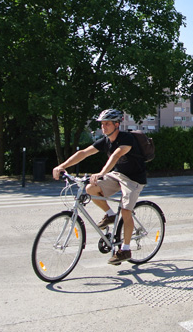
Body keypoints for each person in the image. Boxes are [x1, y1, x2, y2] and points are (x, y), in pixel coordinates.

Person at [51, 109, 147, 265]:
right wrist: (61, 166)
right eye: (102, 124)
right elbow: (83, 153)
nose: (104, 127)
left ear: (117, 124)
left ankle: (126, 249)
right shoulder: (105, 141)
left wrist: (102, 173)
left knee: (125, 211)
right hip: (117, 175)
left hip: (133, 179)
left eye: (107, 124)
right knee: (90, 188)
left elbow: (116, 156)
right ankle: (110, 215)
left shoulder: (126, 138)